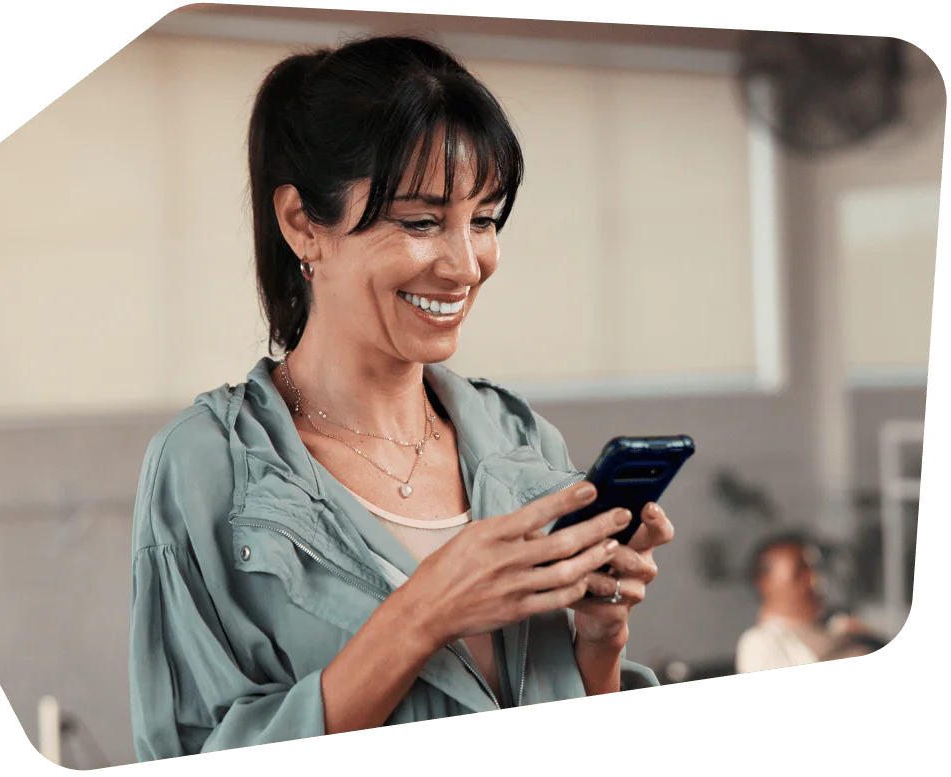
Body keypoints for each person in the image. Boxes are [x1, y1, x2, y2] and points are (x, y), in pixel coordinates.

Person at [128, 35, 675, 761]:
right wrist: (424, 612)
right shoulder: (206, 469)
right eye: (420, 221)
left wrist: (600, 644)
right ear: (301, 224)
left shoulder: (522, 439)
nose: (463, 264)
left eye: (482, 219)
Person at [735, 532, 887, 674]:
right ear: (765, 583)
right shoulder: (759, 643)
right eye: (799, 572)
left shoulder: (842, 627)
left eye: (816, 568)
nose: (816, 581)